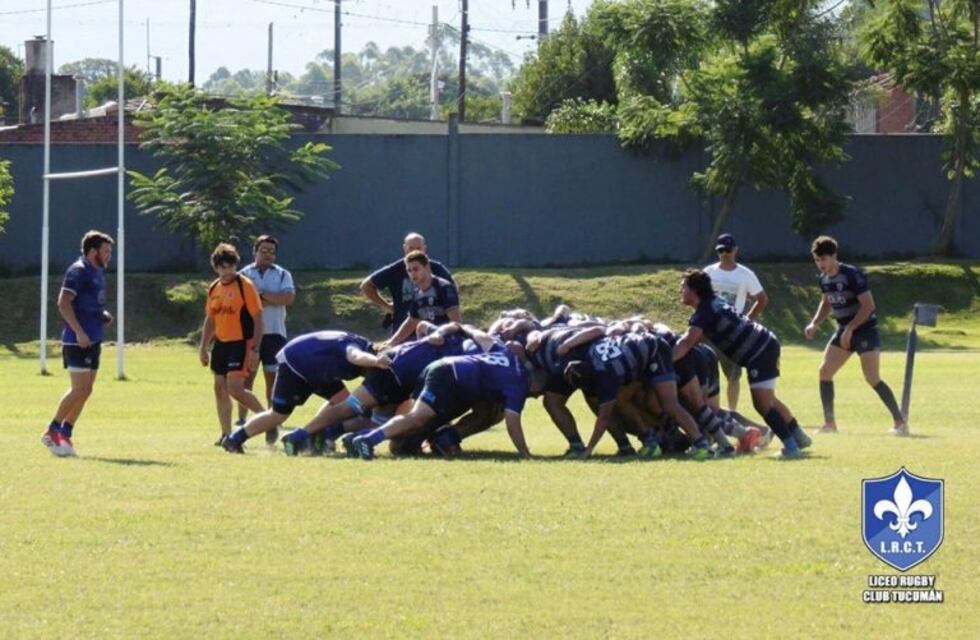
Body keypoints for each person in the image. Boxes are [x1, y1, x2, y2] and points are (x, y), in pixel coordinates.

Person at [672, 269, 810, 458]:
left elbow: (686, 343)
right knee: (770, 399)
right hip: (765, 343)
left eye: (684, 288)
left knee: (762, 404)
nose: (681, 291)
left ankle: (790, 447)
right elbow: (696, 339)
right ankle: (799, 436)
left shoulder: (703, 313)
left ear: (694, 291)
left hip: (759, 352)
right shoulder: (711, 304)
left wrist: (666, 362)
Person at [351, 348, 544, 460]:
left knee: (419, 426)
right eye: (539, 393)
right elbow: (513, 423)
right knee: (418, 418)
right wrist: (526, 454)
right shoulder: (519, 383)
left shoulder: (510, 359)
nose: (535, 397)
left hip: (445, 369)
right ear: (537, 382)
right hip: (449, 377)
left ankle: (360, 437)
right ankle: (367, 439)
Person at [805, 236, 909, 436]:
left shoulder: (851, 274)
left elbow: (869, 306)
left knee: (872, 377)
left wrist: (851, 328)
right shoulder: (823, 279)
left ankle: (900, 422)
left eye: (824, 259)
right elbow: (826, 303)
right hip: (844, 330)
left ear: (834, 256)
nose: (821, 264)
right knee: (825, 371)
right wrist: (814, 323)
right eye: (817, 261)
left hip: (865, 330)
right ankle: (830, 424)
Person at [222, 330, 389, 453]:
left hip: (319, 370)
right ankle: (235, 439)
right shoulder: (356, 349)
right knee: (278, 414)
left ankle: (312, 437)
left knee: (343, 403)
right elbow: (355, 356)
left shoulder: (364, 346)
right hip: (295, 364)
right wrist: (375, 361)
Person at [41, 230, 114, 457]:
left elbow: (86, 303)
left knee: (87, 389)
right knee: (79, 388)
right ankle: (51, 431)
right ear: (93, 251)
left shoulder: (96, 271)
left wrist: (101, 315)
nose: (109, 255)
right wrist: (79, 332)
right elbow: (63, 303)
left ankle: (66, 433)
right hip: (77, 340)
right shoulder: (78, 270)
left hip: (93, 337)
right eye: (106, 250)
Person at [199, 243, 266, 446]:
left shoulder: (244, 285)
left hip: (240, 343)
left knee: (235, 389)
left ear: (235, 265)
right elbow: (210, 320)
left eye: (230, 266)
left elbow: (258, 318)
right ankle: (226, 434)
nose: (227, 271)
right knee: (219, 388)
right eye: (222, 267)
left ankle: (269, 419)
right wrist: (203, 347)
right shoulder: (214, 288)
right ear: (216, 268)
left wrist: (255, 348)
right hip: (221, 344)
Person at [236, 234, 296, 445]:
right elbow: (243, 302)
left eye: (272, 251)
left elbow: (287, 299)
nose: (268, 255)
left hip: (275, 333)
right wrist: (269, 298)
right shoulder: (244, 274)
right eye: (264, 250)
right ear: (255, 252)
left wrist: (260, 296)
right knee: (246, 378)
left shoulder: (282, 275)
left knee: (273, 379)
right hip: (250, 334)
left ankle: (273, 418)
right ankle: (242, 419)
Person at [703, 233, 768, 411]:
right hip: (709, 331)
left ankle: (732, 411)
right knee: (705, 373)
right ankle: (708, 410)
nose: (724, 254)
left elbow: (761, 299)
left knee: (733, 375)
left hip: (732, 334)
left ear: (735, 251)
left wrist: (747, 320)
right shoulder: (708, 273)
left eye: (728, 250)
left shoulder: (745, 275)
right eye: (721, 250)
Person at [360, 232, 455, 334]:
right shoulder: (396, 269)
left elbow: (452, 293)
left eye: (418, 248)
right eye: (411, 248)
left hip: (433, 328)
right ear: (405, 248)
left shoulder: (437, 269)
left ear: (424, 249)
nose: (415, 252)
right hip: (404, 331)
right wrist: (387, 307)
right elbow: (366, 286)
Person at [384, 251, 461, 346]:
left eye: (416, 269)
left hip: (445, 340)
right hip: (428, 339)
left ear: (427, 267)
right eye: (409, 270)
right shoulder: (417, 292)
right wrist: (391, 342)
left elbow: (456, 323)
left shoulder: (443, 287)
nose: (412, 274)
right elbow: (412, 321)